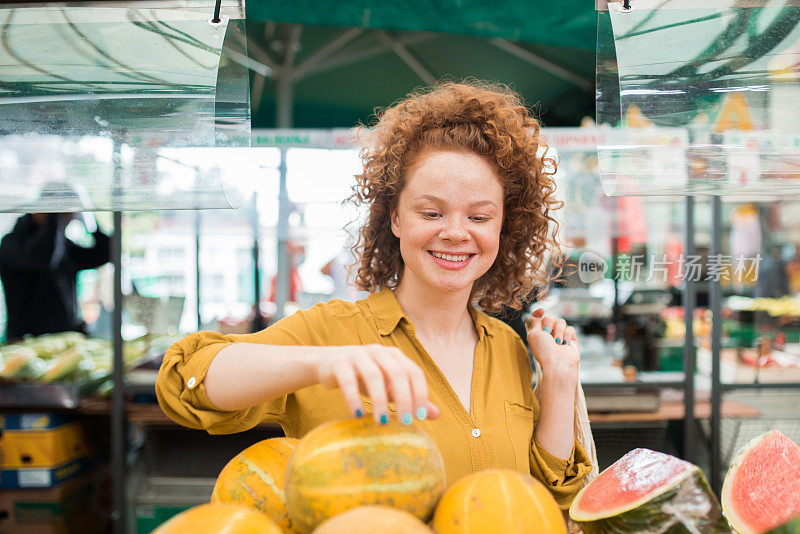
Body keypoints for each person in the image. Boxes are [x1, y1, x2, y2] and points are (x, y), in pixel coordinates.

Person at [156, 81, 593, 508]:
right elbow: (186, 383)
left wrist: (557, 379)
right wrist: (321, 361)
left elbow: (544, 500)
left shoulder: (510, 349)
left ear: (503, 228)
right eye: (430, 212)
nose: (456, 233)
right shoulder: (331, 331)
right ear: (395, 219)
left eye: (479, 216)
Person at [0, 212, 110, 342]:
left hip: (64, 337)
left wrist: (90, 223)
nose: (67, 219)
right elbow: (45, 258)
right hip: (27, 342)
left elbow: (104, 254)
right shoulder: (12, 243)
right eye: (63, 215)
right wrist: (53, 218)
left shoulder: (64, 246)